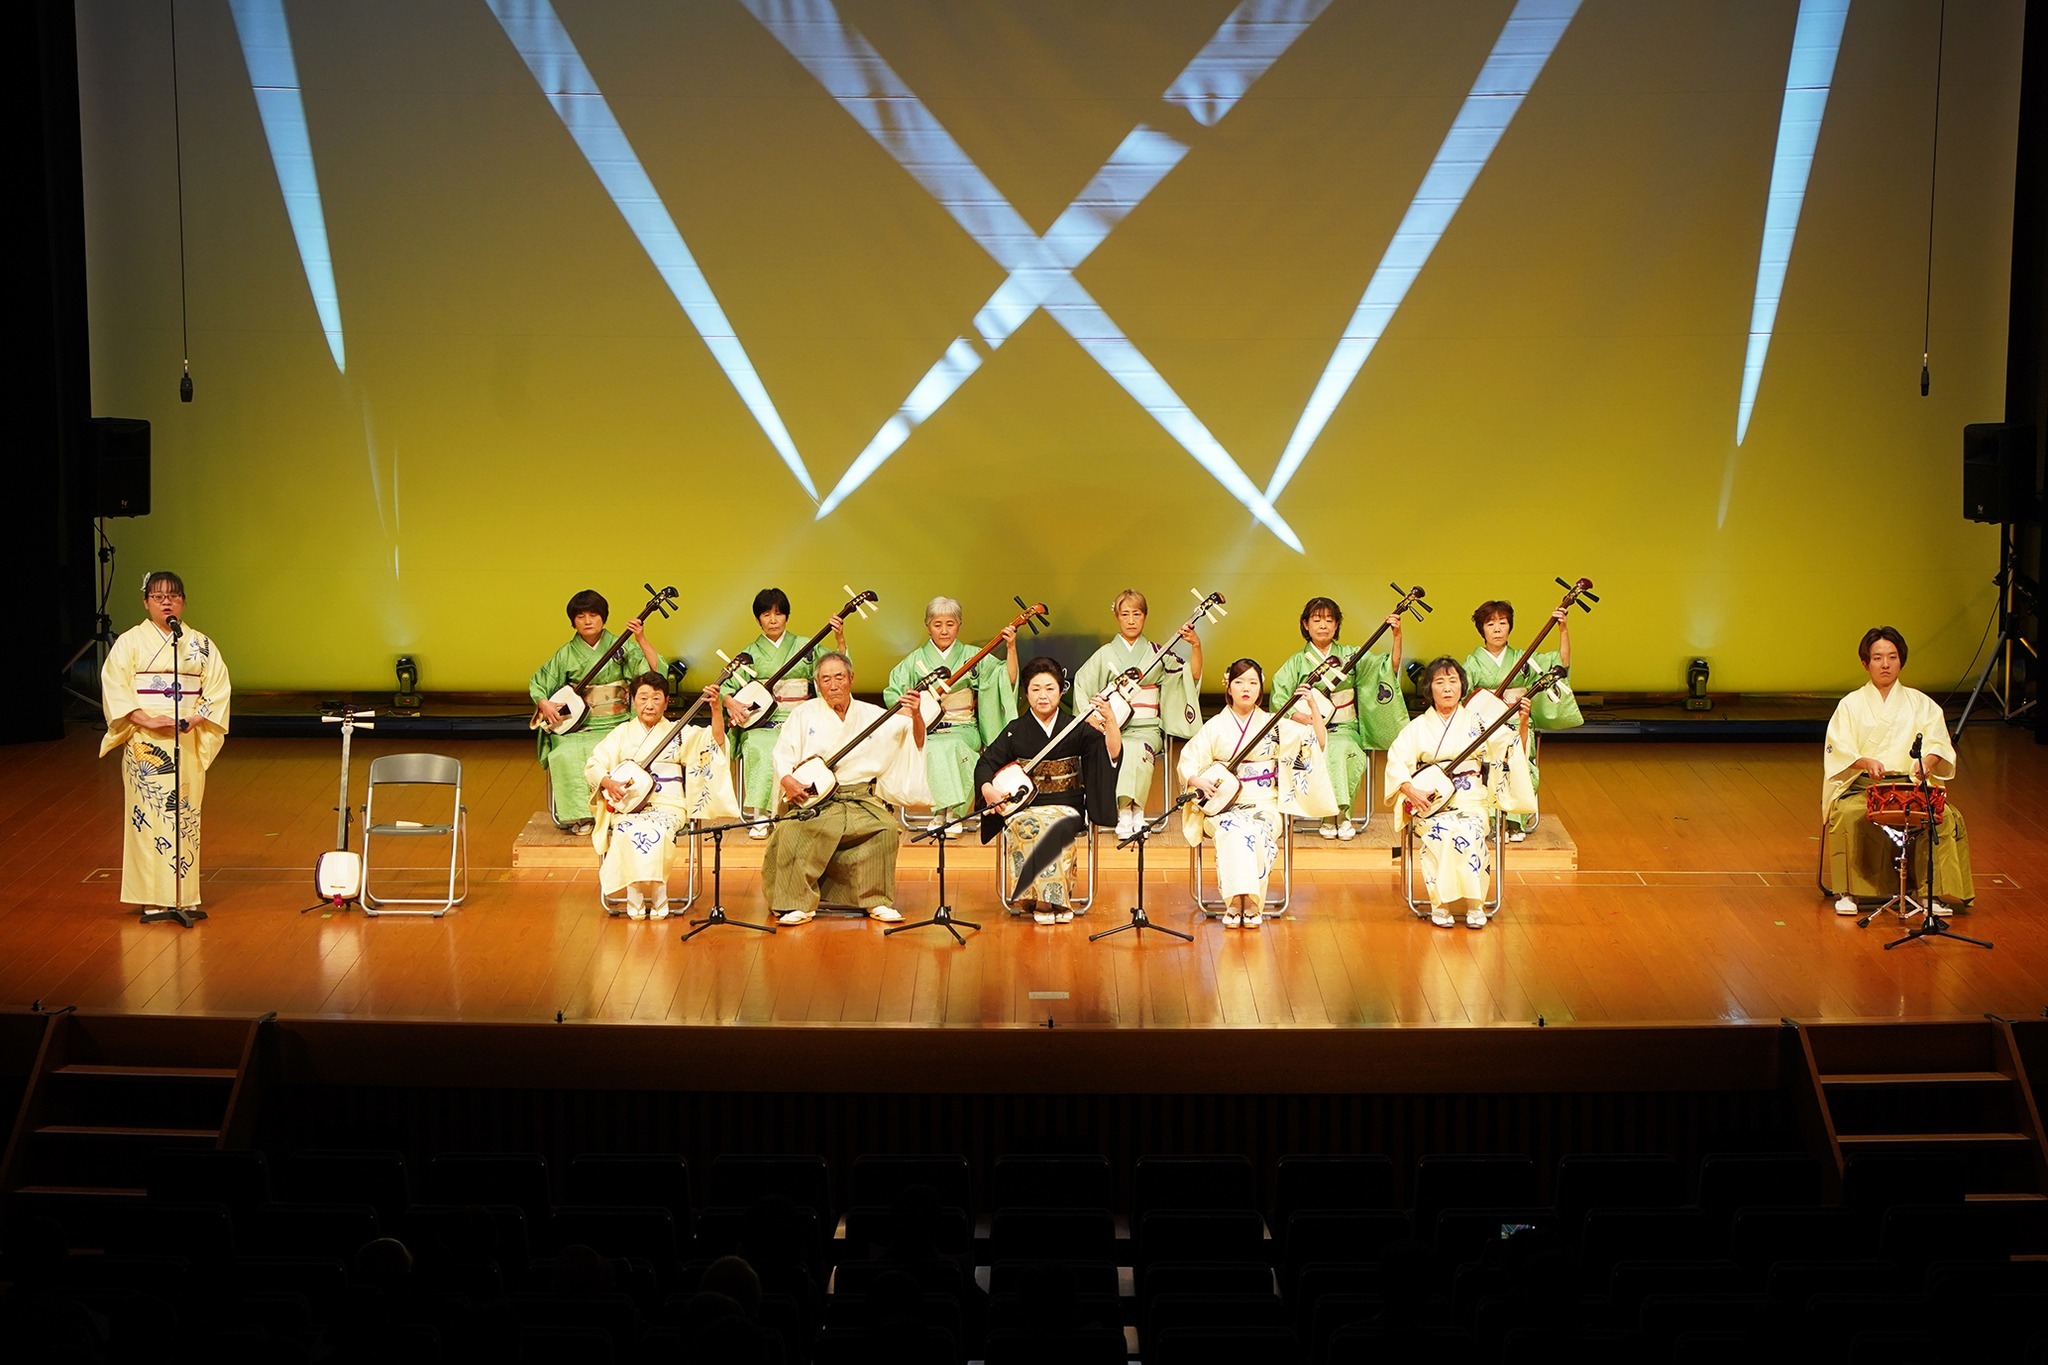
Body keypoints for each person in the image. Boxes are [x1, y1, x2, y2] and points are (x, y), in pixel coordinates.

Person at [100, 572, 231, 924]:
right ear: (146, 603)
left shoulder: (200, 644)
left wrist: (197, 718)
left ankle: (182, 896)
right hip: (145, 742)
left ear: (183, 601)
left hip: (185, 737)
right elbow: (115, 685)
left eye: (173, 596)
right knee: (151, 816)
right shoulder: (129, 642)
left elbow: (217, 688)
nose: (166, 602)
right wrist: (143, 718)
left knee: (184, 812)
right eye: (158, 597)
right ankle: (153, 897)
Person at [766, 652, 929, 925]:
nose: (833, 685)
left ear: (851, 679)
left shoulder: (872, 714)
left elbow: (914, 739)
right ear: (817, 684)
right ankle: (796, 903)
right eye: (826, 679)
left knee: (886, 828)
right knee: (792, 830)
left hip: (858, 799)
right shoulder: (803, 714)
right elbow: (782, 754)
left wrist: (916, 715)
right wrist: (788, 780)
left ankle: (876, 900)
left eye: (839, 677)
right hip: (817, 800)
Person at [1821, 626, 1974, 915]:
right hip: (1863, 785)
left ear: (1901, 660)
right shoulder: (1850, 705)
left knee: (1941, 817)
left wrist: (1926, 762)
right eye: (1877, 657)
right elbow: (1838, 748)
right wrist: (1865, 762)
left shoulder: (1921, 704)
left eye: (1892, 657)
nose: (1885, 664)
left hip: (1911, 785)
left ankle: (1932, 893)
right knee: (1850, 814)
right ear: (1866, 663)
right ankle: (1849, 892)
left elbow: (1939, 743)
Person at [1179, 659, 1333, 928]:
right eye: (1239, 682)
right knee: (1232, 830)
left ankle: (1249, 902)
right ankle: (1236, 903)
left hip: (1265, 803)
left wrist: (1312, 707)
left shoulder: (1274, 723)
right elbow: (1189, 760)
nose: (1246, 688)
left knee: (1255, 831)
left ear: (1261, 688)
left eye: (1252, 682)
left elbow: (1315, 742)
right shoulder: (1215, 725)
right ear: (1229, 688)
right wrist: (1198, 780)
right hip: (1225, 806)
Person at [1384, 657, 1534, 929]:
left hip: (1471, 800)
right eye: (1440, 682)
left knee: (1468, 831)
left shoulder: (1478, 723)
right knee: (1441, 834)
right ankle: (1439, 904)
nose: (1447, 688)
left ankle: (1475, 903)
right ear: (1429, 689)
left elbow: (1510, 751)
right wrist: (1411, 790)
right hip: (1431, 802)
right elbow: (1396, 762)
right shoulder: (1417, 728)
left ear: (1462, 687)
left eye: (1453, 681)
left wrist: (1522, 724)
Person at [974, 657, 1123, 925]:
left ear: (1061, 690)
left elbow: (1109, 755)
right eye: (1035, 689)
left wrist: (1110, 720)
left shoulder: (1077, 727)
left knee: (1054, 824)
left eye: (1050, 688)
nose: (1043, 696)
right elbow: (985, 763)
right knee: (1031, 824)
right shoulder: (1015, 731)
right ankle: (1051, 900)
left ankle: (1045, 900)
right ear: (1026, 693)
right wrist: (987, 788)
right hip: (1026, 806)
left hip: (1067, 804)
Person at [586, 673, 739, 919]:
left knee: (658, 832)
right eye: (643, 698)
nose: (649, 704)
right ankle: (633, 891)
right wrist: (608, 782)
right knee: (625, 831)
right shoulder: (622, 733)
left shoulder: (679, 732)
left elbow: (714, 743)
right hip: (630, 806)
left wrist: (715, 709)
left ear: (667, 702)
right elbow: (594, 764)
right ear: (632, 701)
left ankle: (659, 890)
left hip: (669, 804)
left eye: (656, 698)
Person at [1072, 589, 1202, 840]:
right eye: (1125, 614)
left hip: (1146, 727)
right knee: (1122, 746)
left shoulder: (1157, 652)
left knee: (1135, 748)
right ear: (1117, 617)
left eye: (1136, 614)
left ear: (1145, 616)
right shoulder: (1105, 654)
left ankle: (1135, 811)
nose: (1131, 620)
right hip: (1113, 727)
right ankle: (1126, 812)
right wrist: (1094, 720)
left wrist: (1196, 646)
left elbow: (1188, 677)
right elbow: (1082, 684)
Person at [1271, 596, 1405, 840]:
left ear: (1337, 625)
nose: (1323, 625)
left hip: (1345, 726)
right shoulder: (1296, 662)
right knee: (1328, 749)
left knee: (1343, 750)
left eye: (1330, 620)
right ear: (1305, 624)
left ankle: (1336, 816)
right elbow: (1279, 698)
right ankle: (1337, 816)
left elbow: (1386, 669)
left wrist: (1396, 637)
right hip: (1309, 731)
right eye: (1317, 620)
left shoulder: (1351, 655)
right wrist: (1298, 715)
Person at [529, 589, 662, 833]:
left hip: (619, 721)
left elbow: (654, 673)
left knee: (632, 749)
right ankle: (583, 816)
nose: (588, 621)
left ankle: (623, 810)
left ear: (603, 617)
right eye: (581, 616)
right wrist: (544, 703)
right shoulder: (566, 654)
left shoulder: (621, 648)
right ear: (573, 621)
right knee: (564, 753)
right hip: (581, 726)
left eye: (593, 614)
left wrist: (641, 638)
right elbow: (539, 684)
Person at [722, 588, 847, 839]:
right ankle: (761, 814)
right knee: (758, 746)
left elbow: (836, 667)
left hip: (802, 716)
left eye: (778, 613)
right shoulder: (751, 653)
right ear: (758, 619)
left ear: (787, 617)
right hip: (765, 722)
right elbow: (726, 688)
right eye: (766, 614)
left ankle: (810, 808)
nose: (773, 620)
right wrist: (729, 702)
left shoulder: (805, 646)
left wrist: (840, 640)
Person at [884, 598, 1017, 821]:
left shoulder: (974, 656)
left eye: (950, 624)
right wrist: (915, 709)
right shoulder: (914, 661)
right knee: (934, 747)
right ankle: (944, 812)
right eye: (937, 624)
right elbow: (893, 693)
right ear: (927, 627)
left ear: (959, 625)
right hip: (928, 730)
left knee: (954, 745)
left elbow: (1006, 678)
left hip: (964, 728)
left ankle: (952, 813)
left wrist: (1011, 648)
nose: (944, 630)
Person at [1462, 599, 1581, 841]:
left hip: (1519, 723)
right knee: (1487, 768)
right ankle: (1493, 819)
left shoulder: (1524, 658)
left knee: (1519, 764)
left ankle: (1514, 821)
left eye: (1503, 623)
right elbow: (1463, 696)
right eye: (1490, 623)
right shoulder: (1472, 663)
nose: (1497, 629)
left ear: (1509, 627)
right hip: (1486, 728)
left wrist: (1563, 629)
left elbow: (1561, 663)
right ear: (1481, 629)